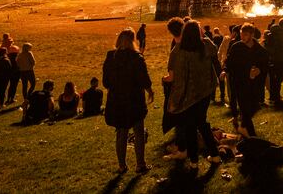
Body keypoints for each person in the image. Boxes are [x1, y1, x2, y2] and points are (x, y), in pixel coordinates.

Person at [162, 20, 220, 169]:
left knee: (190, 126)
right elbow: (214, 51)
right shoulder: (205, 45)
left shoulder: (178, 50)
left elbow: (174, 77)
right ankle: (214, 155)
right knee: (202, 123)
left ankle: (194, 161)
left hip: (188, 95)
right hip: (205, 92)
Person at [103, 28, 154, 174]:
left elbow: (106, 82)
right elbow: (144, 78)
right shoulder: (136, 57)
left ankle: (122, 165)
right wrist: (150, 91)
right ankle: (140, 164)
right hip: (134, 99)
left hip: (116, 99)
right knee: (138, 132)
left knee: (121, 132)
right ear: (133, 41)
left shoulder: (110, 56)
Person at [222, 23, 268, 137]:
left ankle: (243, 127)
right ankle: (252, 136)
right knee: (244, 108)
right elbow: (229, 61)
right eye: (242, 35)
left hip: (254, 84)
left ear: (252, 35)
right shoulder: (236, 47)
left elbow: (265, 65)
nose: (242, 37)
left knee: (254, 107)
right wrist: (224, 70)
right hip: (239, 82)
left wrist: (259, 70)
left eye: (245, 35)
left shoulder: (259, 50)